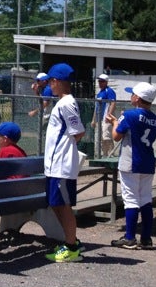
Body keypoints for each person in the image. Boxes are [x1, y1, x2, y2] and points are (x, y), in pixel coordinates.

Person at [43, 62, 85, 263]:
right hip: (54, 165)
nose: (50, 84)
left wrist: (63, 151)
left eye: (51, 80)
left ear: (58, 81)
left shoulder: (67, 103)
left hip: (61, 164)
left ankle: (71, 246)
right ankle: (71, 241)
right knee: (56, 204)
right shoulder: (61, 102)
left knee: (64, 205)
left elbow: (78, 132)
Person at [111, 82, 156, 250]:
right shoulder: (155, 118)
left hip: (131, 161)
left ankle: (130, 237)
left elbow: (116, 136)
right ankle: (146, 238)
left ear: (138, 98)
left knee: (131, 199)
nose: (131, 96)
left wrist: (115, 123)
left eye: (132, 94)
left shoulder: (130, 115)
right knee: (145, 199)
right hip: (147, 162)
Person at [90, 74, 117, 156]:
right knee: (100, 138)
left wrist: (109, 115)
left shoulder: (109, 91)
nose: (100, 83)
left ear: (106, 82)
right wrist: (93, 120)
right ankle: (102, 154)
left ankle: (110, 154)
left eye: (102, 81)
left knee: (106, 136)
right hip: (99, 118)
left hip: (106, 118)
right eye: (99, 81)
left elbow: (113, 103)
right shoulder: (99, 93)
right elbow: (96, 108)